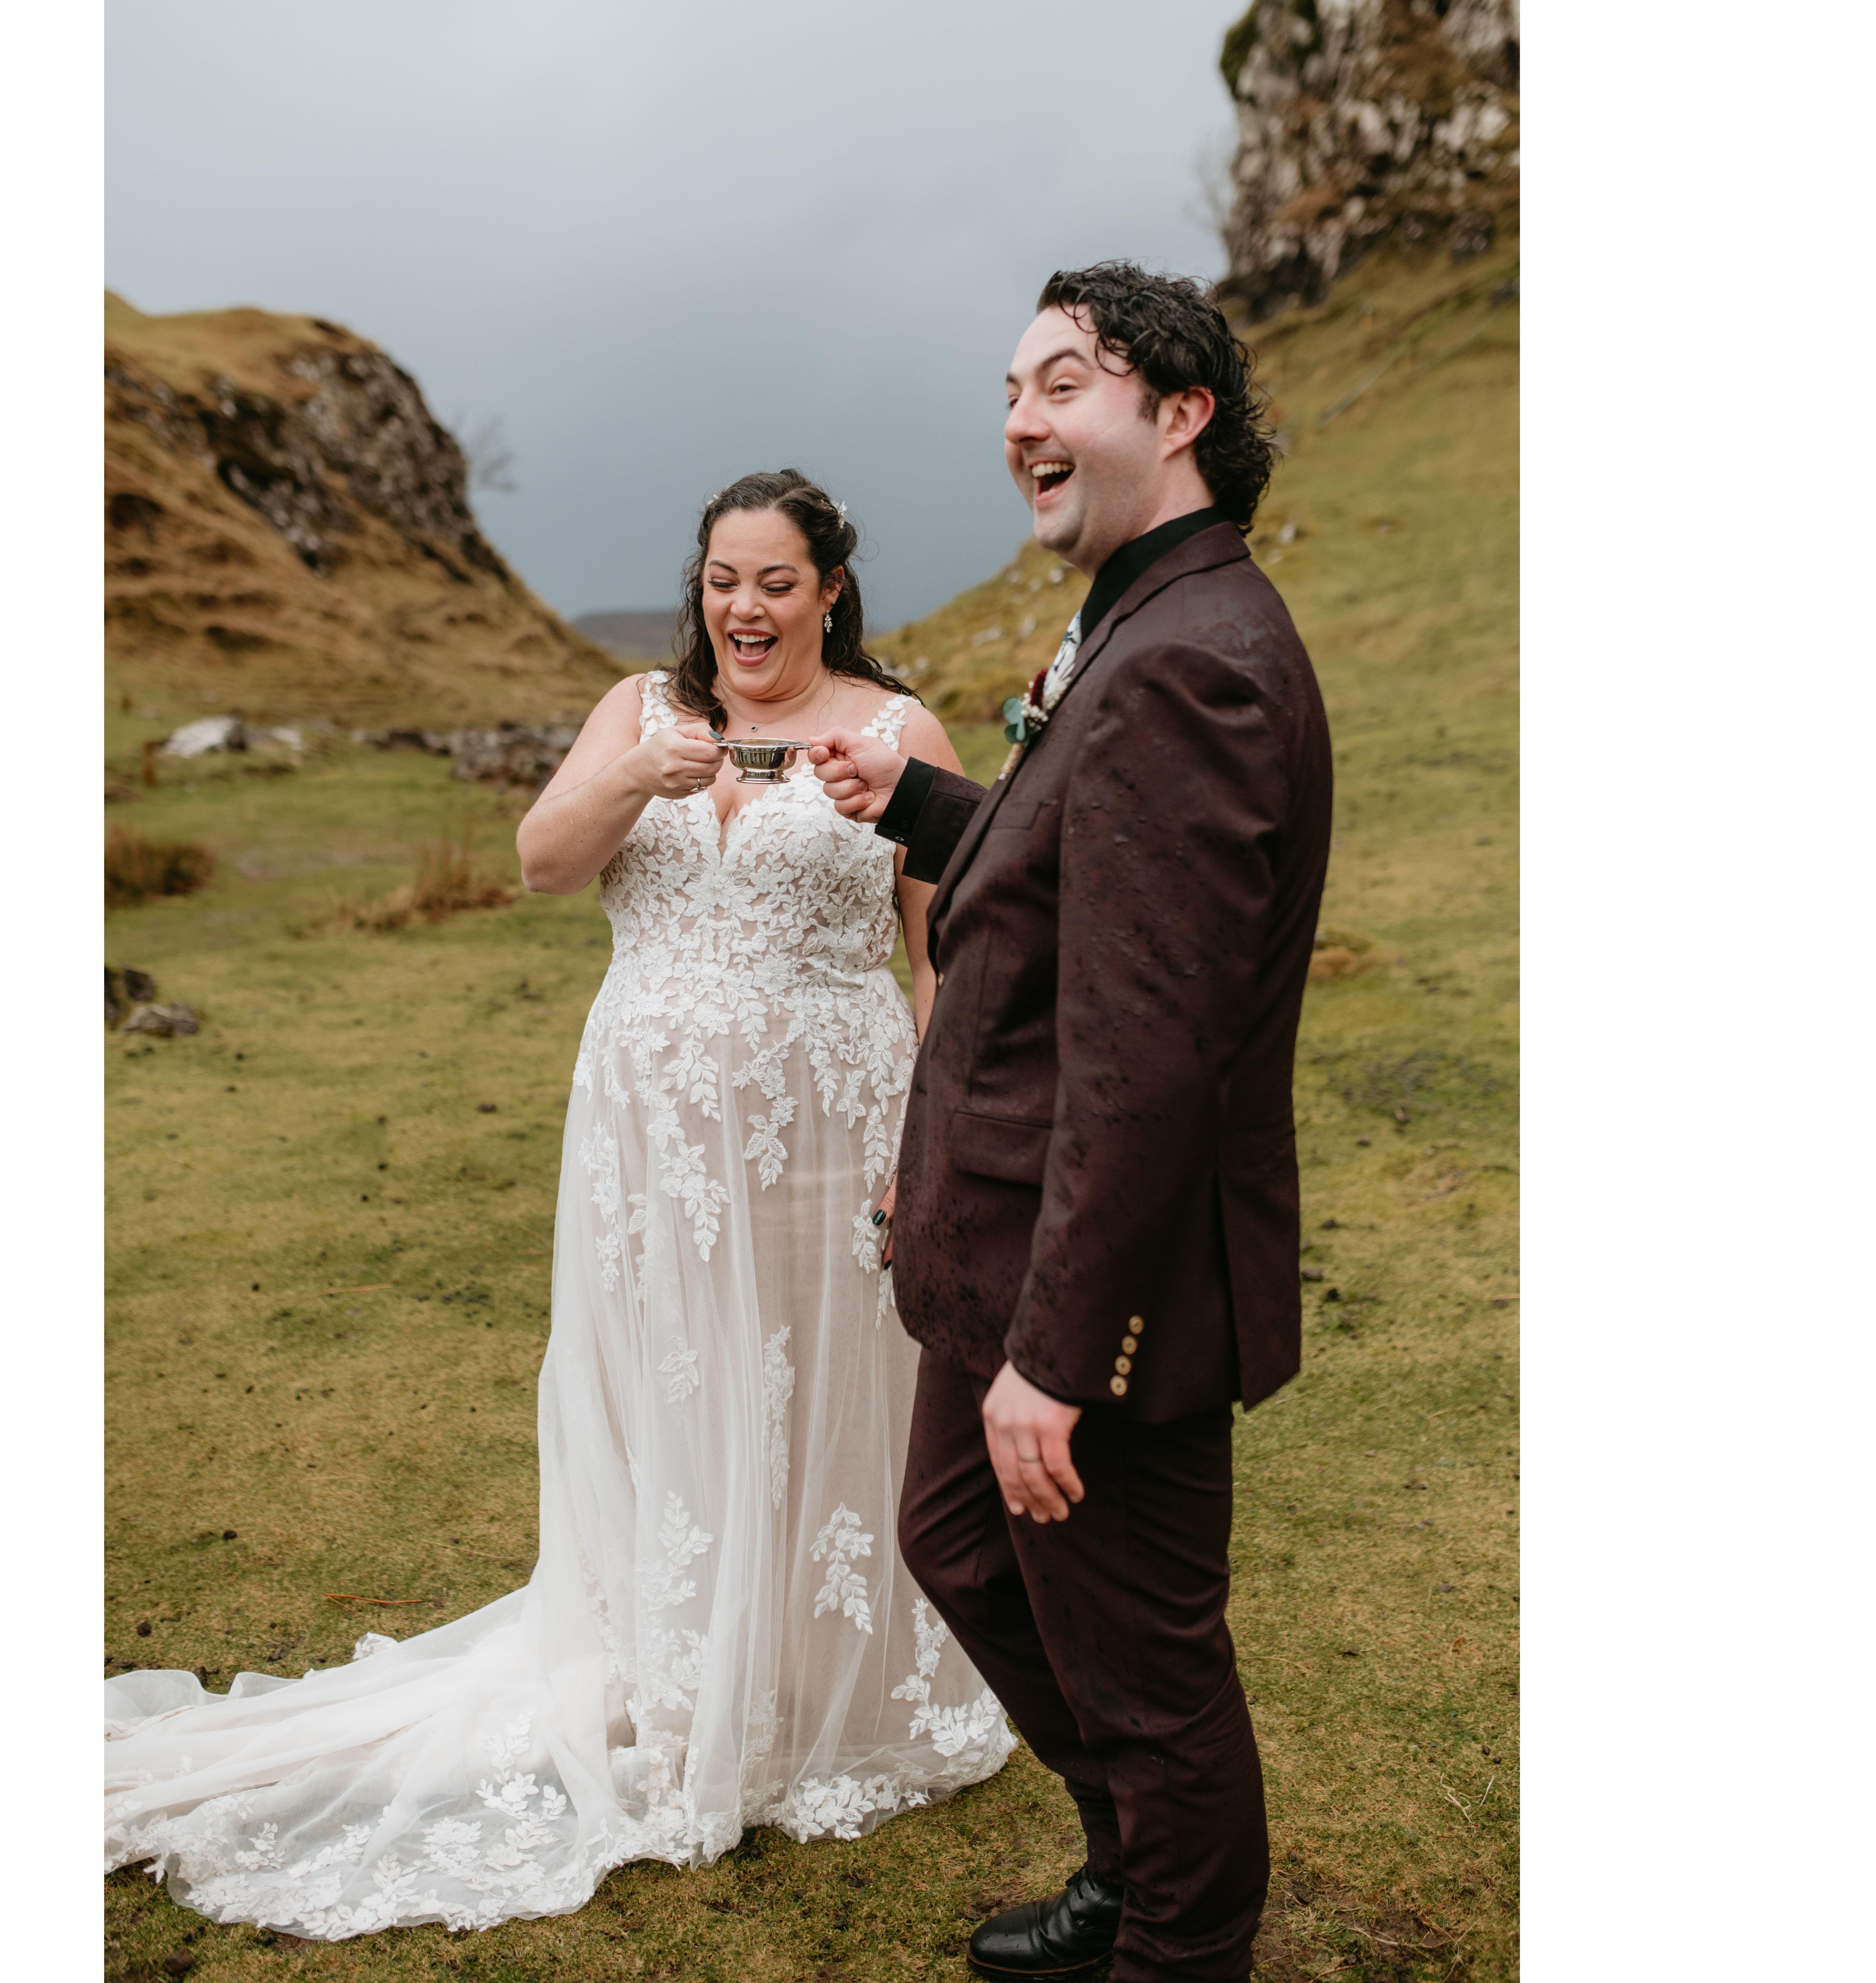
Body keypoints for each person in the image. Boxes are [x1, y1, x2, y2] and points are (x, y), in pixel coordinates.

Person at [104, 470, 1009, 1941]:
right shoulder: (640, 709)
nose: (746, 608)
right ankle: (673, 1671)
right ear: (700, 583)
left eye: (778, 582)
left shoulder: (896, 733)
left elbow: (943, 951)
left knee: (811, 1388)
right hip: (645, 1140)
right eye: (725, 578)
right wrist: (629, 780)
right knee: (674, 1388)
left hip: (825, 1133)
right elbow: (538, 861)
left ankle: (815, 1687)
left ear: (831, 589)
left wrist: (934, 1120)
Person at [808, 265, 1332, 1983]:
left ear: (1181, 418)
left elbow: (1150, 1052)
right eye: (1012, 389)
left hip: (1102, 1291)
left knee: (1147, 1666)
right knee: (956, 1547)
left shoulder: (1196, 662)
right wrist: (946, 805)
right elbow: (1081, 875)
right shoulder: (1135, 617)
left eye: (1068, 383)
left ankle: (1181, 1937)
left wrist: (1059, 1352)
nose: (1022, 420)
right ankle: (1127, 1859)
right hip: (1008, 1246)